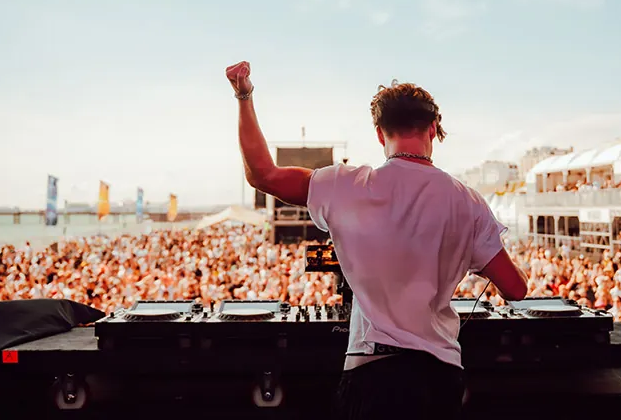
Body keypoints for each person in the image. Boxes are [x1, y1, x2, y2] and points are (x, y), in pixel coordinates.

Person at [225, 61, 528, 419]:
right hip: (440, 377)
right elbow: (515, 289)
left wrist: (244, 96)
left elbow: (263, 175)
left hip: (372, 373)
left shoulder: (348, 185)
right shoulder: (469, 201)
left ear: (381, 134)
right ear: (433, 129)